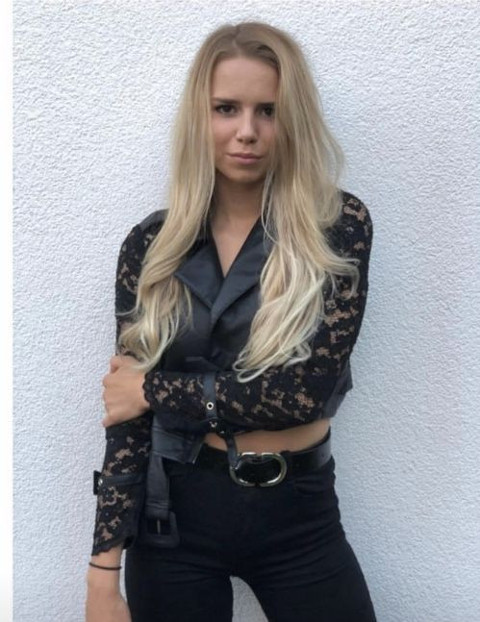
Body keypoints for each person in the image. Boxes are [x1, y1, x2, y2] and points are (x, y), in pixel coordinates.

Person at [85, 21, 376, 622]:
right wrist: (102, 573)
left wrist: (152, 389)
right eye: (226, 108)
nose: (247, 131)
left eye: (269, 110)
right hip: (174, 520)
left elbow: (302, 394)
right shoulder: (150, 246)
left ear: (294, 120)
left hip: (300, 517)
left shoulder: (338, 227)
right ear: (201, 117)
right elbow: (126, 420)